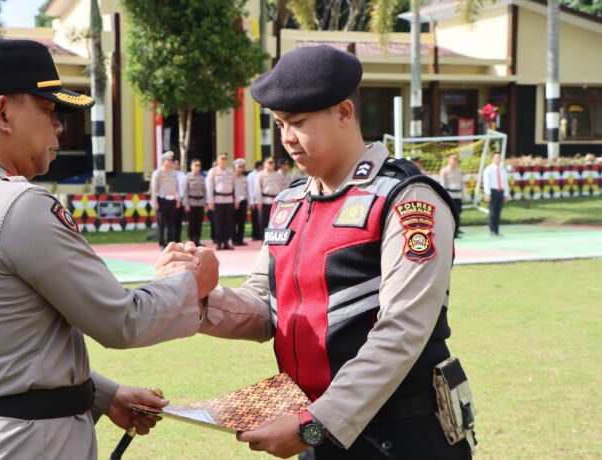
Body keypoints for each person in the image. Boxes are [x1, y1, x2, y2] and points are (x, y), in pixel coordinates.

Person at [0, 38, 219, 460]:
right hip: (23, 447)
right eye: (49, 111)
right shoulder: (16, 206)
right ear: (3, 112)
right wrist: (189, 281)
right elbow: (122, 320)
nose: (59, 127)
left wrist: (102, 393)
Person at [165, 45, 473, 459]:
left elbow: (403, 331)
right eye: (279, 124)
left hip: (397, 435)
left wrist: (314, 427)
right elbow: (264, 306)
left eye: (298, 122)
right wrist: (200, 297)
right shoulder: (291, 202)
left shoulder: (406, 199)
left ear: (345, 112)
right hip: (317, 428)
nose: (287, 138)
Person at [150, 151, 181, 249]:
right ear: (164, 161)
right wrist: (154, 201)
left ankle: (170, 242)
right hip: (161, 200)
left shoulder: (174, 172)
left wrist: (178, 200)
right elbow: (154, 189)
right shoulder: (158, 173)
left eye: (172, 160)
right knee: (161, 223)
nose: (171, 162)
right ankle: (162, 243)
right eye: (169, 160)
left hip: (172, 200)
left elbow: (176, 187)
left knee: (171, 223)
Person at [206, 153, 236, 250]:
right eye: (221, 159)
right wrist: (210, 201)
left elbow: (235, 186)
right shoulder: (213, 171)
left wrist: (237, 200)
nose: (223, 161)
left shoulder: (231, 171)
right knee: (218, 222)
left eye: (225, 159)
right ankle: (218, 242)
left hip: (229, 200)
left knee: (228, 222)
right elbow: (210, 187)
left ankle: (226, 242)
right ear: (218, 160)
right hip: (217, 200)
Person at [254, 157, 284, 238]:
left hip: (276, 200)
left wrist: (282, 201)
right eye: (269, 163)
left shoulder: (278, 175)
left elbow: (282, 188)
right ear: (265, 164)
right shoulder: (261, 174)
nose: (271, 165)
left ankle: (274, 238)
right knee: (264, 221)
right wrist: (259, 201)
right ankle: (264, 239)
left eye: (272, 163)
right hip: (265, 200)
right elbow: (257, 189)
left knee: (276, 221)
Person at [482, 153, 509, 237]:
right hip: (492, 191)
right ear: (492, 159)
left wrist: (506, 194)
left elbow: (505, 182)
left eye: (499, 158)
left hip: (500, 191)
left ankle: (497, 230)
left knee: (498, 211)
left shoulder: (503, 170)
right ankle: (492, 230)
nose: (498, 159)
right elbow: (486, 182)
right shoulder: (488, 169)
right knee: (492, 211)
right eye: (497, 158)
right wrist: (488, 193)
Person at [440, 154, 465, 236]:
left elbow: (462, 183)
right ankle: (452, 231)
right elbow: (443, 184)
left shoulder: (459, 170)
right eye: (453, 160)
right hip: (450, 194)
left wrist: (464, 195)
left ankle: (457, 228)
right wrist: (444, 196)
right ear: (449, 161)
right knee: (451, 213)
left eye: (456, 160)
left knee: (458, 212)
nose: (454, 161)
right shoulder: (445, 171)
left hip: (458, 194)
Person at [183, 159, 206, 246]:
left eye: (199, 166)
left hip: (200, 203)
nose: (197, 168)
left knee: (199, 223)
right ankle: (191, 240)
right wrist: (186, 204)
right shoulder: (188, 178)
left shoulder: (202, 178)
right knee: (191, 223)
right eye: (195, 165)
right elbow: (185, 192)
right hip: (191, 202)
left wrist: (205, 204)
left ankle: (197, 239)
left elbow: (205, 192)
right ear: (191, 167)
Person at [232, 158, 249, 246]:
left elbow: (247, 191)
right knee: (233, 222)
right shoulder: (231, 177)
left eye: (242, 167)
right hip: (234, 202)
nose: (241, 169)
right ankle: (234, 240)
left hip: (243, 202)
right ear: (235, 167)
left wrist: (249, 203)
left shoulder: (245, 178)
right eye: (239, 166)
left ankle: (240, 239)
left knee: (242, 222)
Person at [247, 160, 263, 241]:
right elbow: (250, 189)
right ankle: (255, 235)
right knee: (255, 219)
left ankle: (260, 235)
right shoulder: (251, 175)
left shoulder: (261, 174)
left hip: (261, 200)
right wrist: (252, 202)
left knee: (261, 219)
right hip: (254, 199)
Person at [173, 158, 187, 243]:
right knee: (171, 222)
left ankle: (177, 238)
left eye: (177, 164)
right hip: (171, 200)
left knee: (178, 220)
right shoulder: (166, 174)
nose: (175, 165)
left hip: (180, 200)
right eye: (174, 163)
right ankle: (170, 239)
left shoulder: (182, 175)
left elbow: (184, 189)